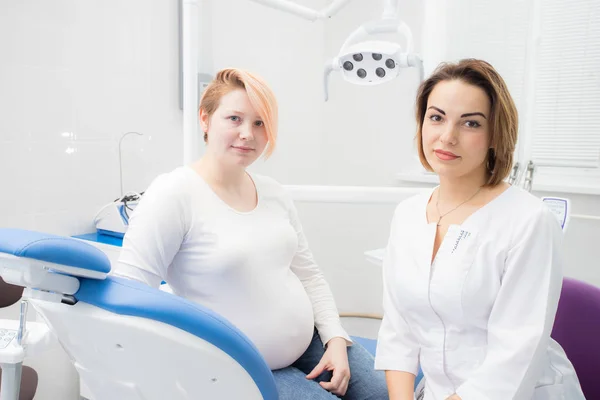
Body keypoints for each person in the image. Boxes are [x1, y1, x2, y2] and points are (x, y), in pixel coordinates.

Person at [113, 68, 389, 399]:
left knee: (384, 394)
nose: (248, 133)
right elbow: (130, 292)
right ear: (205, 119)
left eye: (259, 122)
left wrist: (335, 338)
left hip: (310, 342)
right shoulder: (174, 193)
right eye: (234, 119)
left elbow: (310, 276)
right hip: (236, 362)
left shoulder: (274, 192)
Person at [374, 59, 585, 400]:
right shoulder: (407, 215)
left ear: (494, 134)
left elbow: (514, 354)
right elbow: (399, 331)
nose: (447, 136)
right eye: (436, 117)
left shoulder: (528, 220)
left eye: (470, 123)